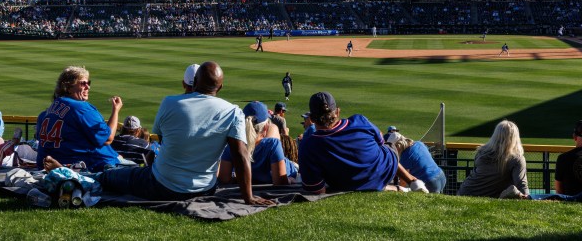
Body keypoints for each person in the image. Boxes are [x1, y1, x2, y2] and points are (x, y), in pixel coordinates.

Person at [89, 61, 273, 205]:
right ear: (220, 87)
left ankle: (86, 177)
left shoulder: (169, 102)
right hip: (205, 189)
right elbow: (241, 156)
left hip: (162, 185)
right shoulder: (233, 111)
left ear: (195, 82)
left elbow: (162, 141)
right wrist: (248, 197)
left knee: (112, 176)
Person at [298, 91, 428, 193]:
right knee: (387, 146)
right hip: (383, 170)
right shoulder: (359, 120)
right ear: (337, 112)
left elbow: (317, 190)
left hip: (349, 183)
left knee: (384, 149)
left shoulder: (308, 145)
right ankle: (412, 181)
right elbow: (380, 143)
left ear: (312, 119)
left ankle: (398, 187)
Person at [35, 66, 124, 172]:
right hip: (93, 167)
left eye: (88, 83)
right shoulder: (81, 108)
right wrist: (115, 111)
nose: (88, 87)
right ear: (68, 87)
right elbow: (108, 139)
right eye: (83, 83)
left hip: (51, 165)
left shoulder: (47, 112)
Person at [219, 101, 298, 185]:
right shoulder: (273, 144)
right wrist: (290, 180)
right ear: (266, 127)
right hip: (292, 172)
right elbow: (280, 181)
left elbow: (224, 179)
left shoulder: (233, 144)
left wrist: (243, 180)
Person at [457, 120, 529, 198]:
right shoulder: (517, 159)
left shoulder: (481, 152)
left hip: (464, 191)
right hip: (484, 196)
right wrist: (527, 198)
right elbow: (522, 185)